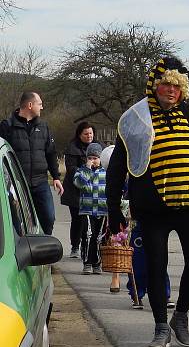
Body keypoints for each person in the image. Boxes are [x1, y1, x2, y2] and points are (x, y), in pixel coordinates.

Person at [106, 56, 189, 347]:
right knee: (155, 266)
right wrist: (114, 207)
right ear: (154, 86)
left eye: (176, 86)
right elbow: (118, 165)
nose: (170, 90)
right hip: (153, 207)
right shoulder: (137, 117)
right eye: (165, 84)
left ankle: (180, 316)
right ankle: (159, 326)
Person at [0, 91, 63, 235]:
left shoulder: (44, 127)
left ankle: (44, 249)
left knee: (48, 218)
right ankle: (23, 251)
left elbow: (51, 153)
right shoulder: (6, 126)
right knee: (17, 222)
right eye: (39, 104)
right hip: (15, 184)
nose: (42, 107)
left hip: (40, 182)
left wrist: (56, 177)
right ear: (29, 105)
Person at [61, 122, 102, 259]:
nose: (89, 136)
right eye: (86, 133)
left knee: (93, 221)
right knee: (78, 219)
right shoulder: (72, 148)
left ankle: (91, 248)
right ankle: (75, 246)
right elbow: (71, 168)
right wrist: (85, 170)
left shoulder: (98, 147)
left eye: (91, 133)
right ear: (79, 135)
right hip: (75, 190)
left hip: (94, 189)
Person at [72, 142, 108, 275]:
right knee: (88, 235)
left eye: (95, 158)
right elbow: (78, 183)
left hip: (102, 210)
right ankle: (87, 262)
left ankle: (96, 263)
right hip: (87, 209)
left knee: (98, 237)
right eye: (90, 158)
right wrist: (87, 170)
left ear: (101, 158)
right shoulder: (81, 171)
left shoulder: (106, 172)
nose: (92, 160)